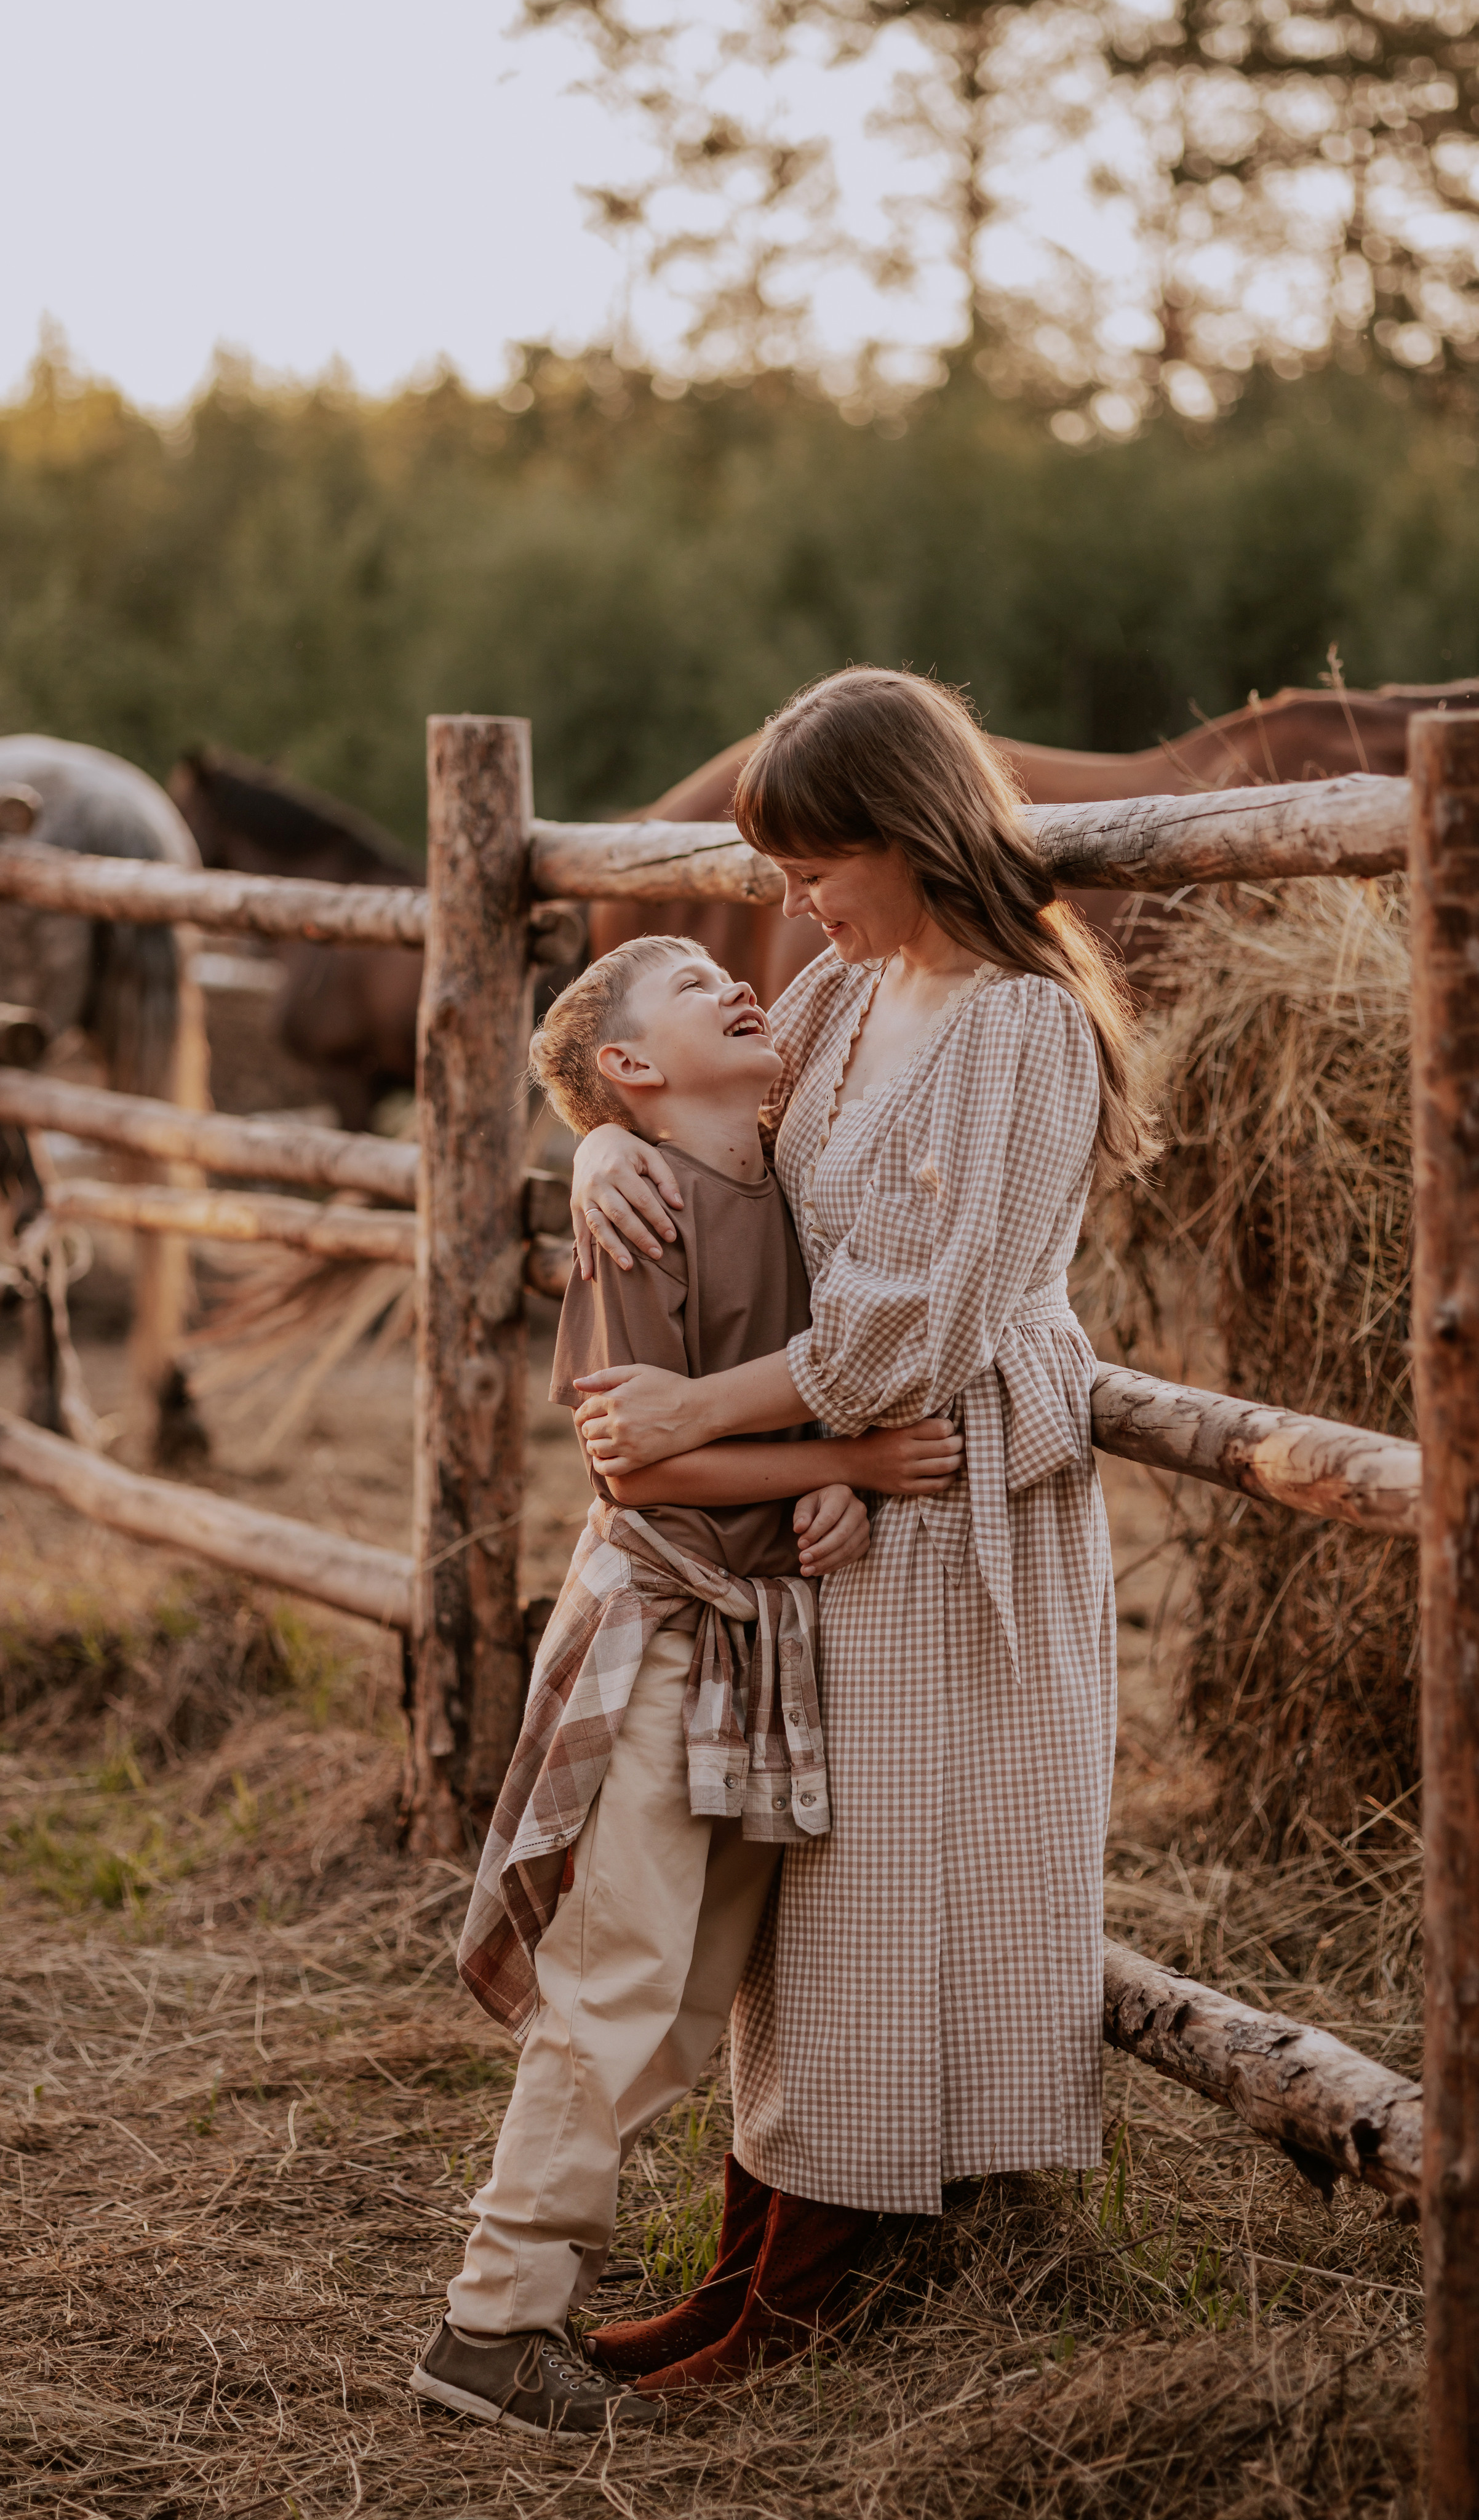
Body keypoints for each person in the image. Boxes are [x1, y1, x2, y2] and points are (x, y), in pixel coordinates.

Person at [566, 668, 1155, 2393]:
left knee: (898, 1860)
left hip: (942, 1463)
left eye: (820, 862)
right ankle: (762, 2234)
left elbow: (922, 1316)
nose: (793, 904)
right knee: (811, 1877)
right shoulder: (834, 990)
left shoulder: (1021, 1025)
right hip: (837, 1454)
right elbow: (714, 1148)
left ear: (909, 831)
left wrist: (699, 1416)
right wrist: (600, 1151)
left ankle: (835, 2266)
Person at [412, 930, 963, 2439]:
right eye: (688, 979)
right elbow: (635, 1457)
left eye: (731, 957)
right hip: (660, 1633)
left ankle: (526, 2284)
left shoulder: (783, 1174)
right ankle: (490, 2326)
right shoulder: (643, 1208)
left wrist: (819, 1488)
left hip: (747, 1633)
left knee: (681, 1999)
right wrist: (843, 1460)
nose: (739, 975)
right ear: (632, 1071)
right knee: (614, 1982)